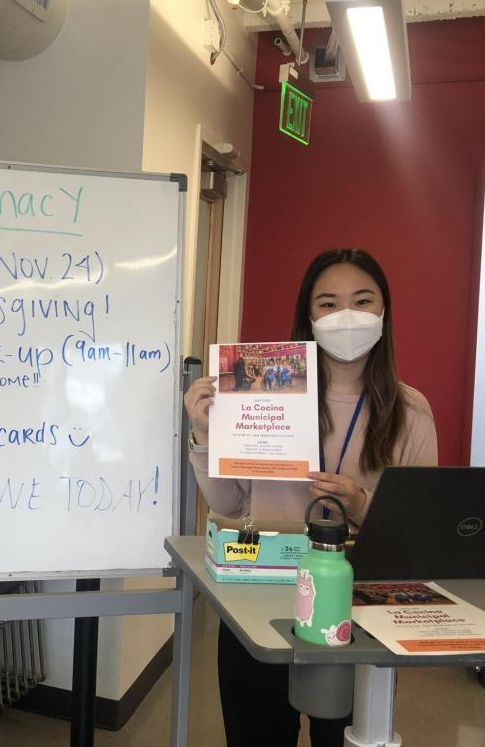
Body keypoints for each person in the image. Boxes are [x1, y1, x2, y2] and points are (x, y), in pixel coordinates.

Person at [184, 248, 438, 747]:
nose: (347, 316)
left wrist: (362, 505)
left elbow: (421, 534)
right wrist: (203, 432)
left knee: (342, 738)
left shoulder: (411, 411)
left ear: (384, 313)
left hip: (357, 614)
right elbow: (232, 507)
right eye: (328, 303)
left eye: (363, 301)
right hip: (257, 603)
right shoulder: (260, 391)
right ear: (309, 317)